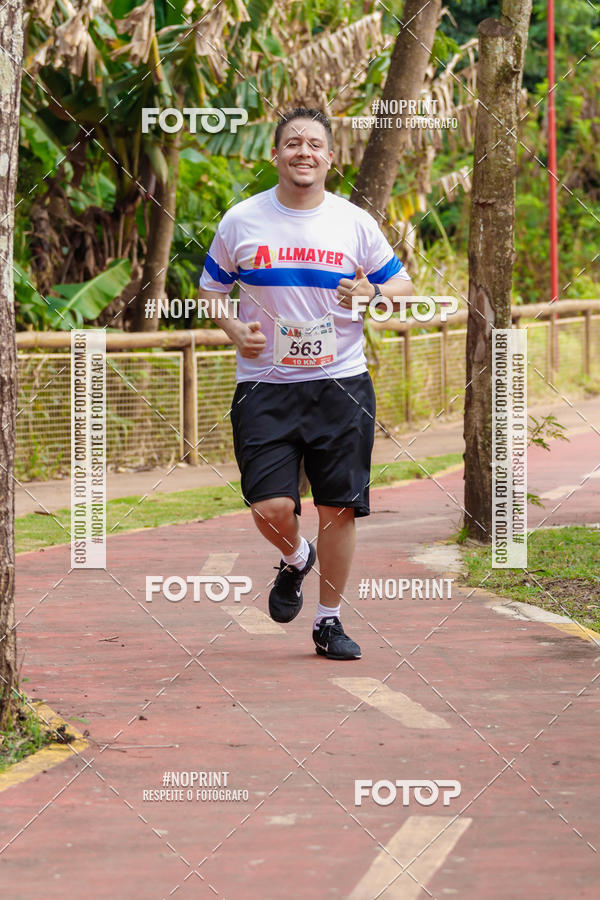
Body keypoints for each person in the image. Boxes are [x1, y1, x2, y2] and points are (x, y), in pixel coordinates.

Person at [199, 107, 414, 660]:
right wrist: (233, 329)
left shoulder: (353, 222)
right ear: (276, 154)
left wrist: (372, 293)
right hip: (264, 387)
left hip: (340, 386)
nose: (304, 152)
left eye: (315, 144)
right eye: (293, 143)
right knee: (270, 507)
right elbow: (211, 291)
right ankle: (296, 557)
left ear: (330, 157)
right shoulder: (241, 220)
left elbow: (404, 289)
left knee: (338, 508)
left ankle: (328, 621)